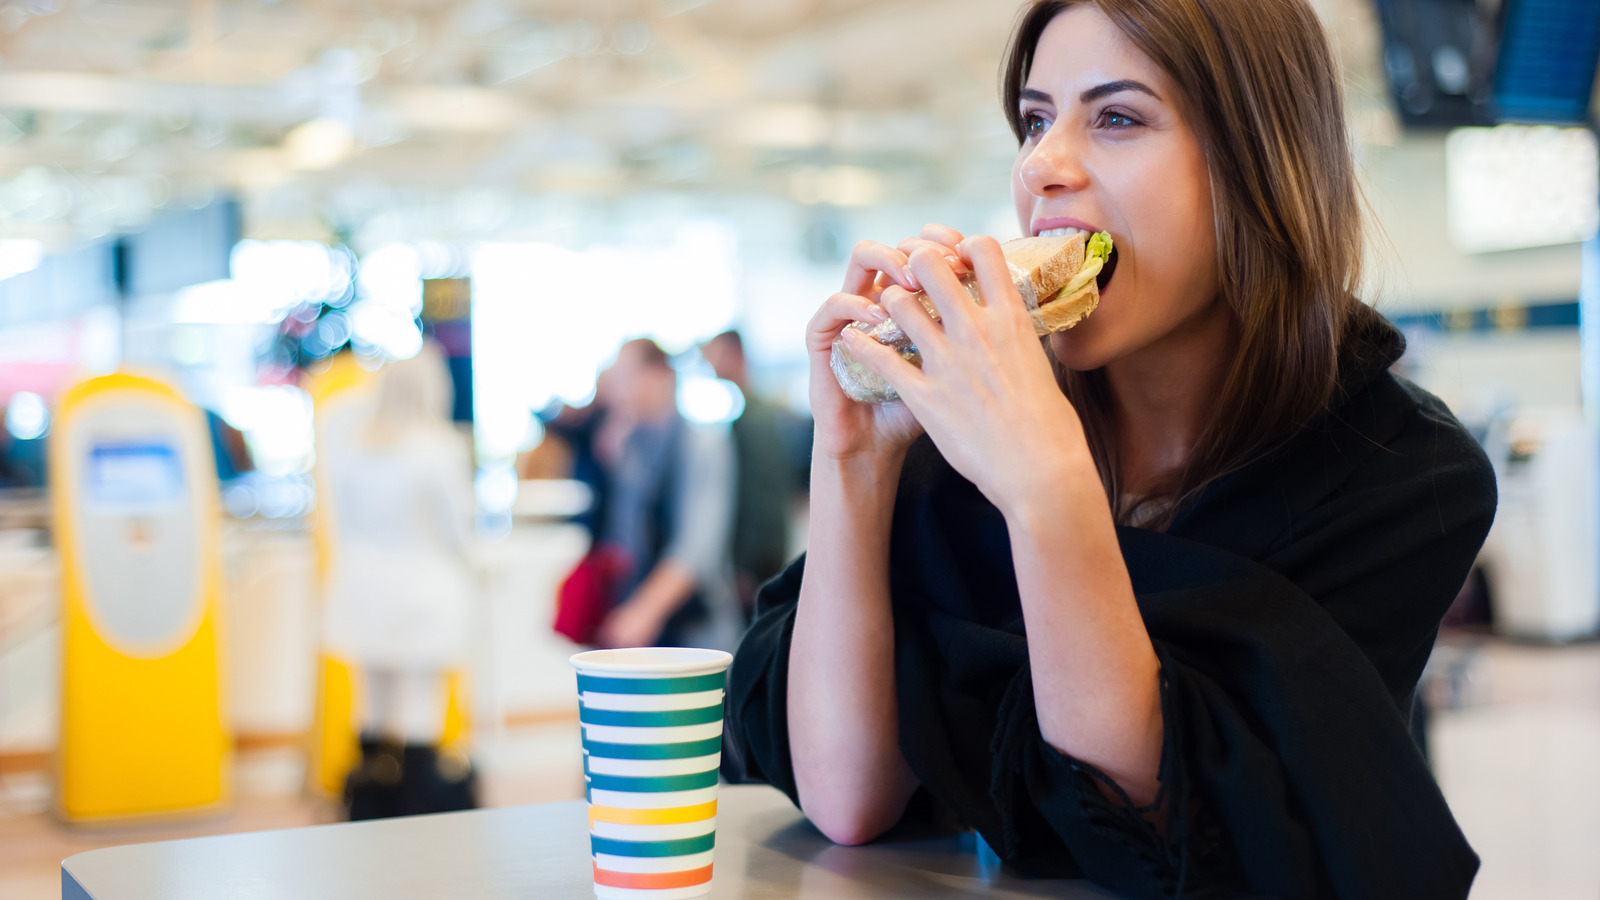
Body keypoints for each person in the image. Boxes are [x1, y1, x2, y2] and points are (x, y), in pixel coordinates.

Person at [725, 2, 1496, 899]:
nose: (1041, 166)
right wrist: (856, 459)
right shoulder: (964, 418)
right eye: (1036, 120)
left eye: (1118, 118)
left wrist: (1049, 492)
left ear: (1257, 164)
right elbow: (849, 798)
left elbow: (1165, 834)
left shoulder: (1401, 471)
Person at [322, 343, 478, 819]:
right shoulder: (439, 447)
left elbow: (340, 521)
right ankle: (418, 802)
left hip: (361, 588)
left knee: (372, 699)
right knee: (419, 699)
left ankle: (367, 801)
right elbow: (459, 530)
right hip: (422, 591)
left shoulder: (351, 445)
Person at [592, 339, 741, 651]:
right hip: (642, 625)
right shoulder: (631, 447)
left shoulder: (704, 444)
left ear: (658, 375)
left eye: (625, 377)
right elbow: (624, 541)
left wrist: (643, 612)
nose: (617, 391)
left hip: (695, 627)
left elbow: (697, 549)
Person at [701, 330, 796, 614]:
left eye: (715, 355)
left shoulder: (755, 420)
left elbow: (761, 496)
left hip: (758, 564)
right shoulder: (752, 413)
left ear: (735, 355)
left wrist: (747, 566)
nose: (711, 364)